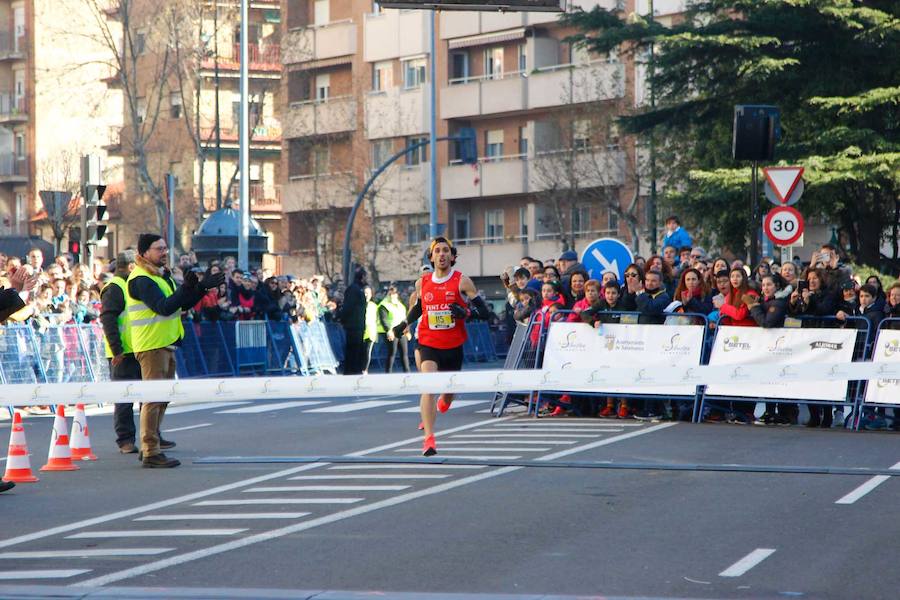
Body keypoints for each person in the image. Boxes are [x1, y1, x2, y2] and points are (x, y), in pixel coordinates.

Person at [127, 234, 224, 468]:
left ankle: (153, 442)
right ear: (144, 253)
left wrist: (201, 288)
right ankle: (150, 451)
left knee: (163, 397)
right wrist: (188, 289)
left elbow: (181, 304)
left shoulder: (161, 276)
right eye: (158, 249)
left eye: (165, 248)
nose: (164, 252)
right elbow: (164, 307)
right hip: (151, 345)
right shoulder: (141, 279)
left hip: (165, 343)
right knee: (153, 398)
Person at [391, 237, 489, 456]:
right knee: (429, 386)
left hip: (453, 345)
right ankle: (429, 439)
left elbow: (485, 313)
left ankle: (444, 402)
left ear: (452, 256)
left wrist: (467, 313)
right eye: (437, 251)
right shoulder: (422, 283)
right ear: (432, 256)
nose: (442, 254)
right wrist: (404, 323)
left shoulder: (462, 281)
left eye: (446, 251)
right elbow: (418, 308)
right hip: (427, 342)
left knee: (447, 395)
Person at [100, 250, 146, 454]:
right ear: (130, 267)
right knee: (124, 399)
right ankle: (125, 440)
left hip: (138, 348)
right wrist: (117, 349)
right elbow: (108, 319)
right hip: (123, 353)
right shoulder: (115, 288)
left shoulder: (130, 286)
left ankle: (151, 437)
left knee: (148, 396)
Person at [745, 273, 793, 425]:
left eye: (769, 285)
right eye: (763, 285)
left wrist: (753, 307)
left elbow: (767, 323)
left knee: (780, 379)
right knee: (770, 377)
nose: (765, 288)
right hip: (769, 346)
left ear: (777, 286)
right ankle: (770, 411)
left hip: (780, 346)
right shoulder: (767, 301)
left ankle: (784, 414)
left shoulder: (778, 302)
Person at [337, 267, 368, 375]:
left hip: (358, 325)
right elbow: (348, 307)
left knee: (357, 348)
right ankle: (351, 370)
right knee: (353, 349)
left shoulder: (358, 289)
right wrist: (342, 318)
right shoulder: (354, 289)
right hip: (353, 325)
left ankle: (355, 369)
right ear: (362, 277)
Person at [377, 285, 410, 373]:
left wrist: (407, 331)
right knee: (392, 353)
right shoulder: (384, 305)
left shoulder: (400, 305)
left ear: (397, 295)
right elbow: (383, 319)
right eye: (390, 294)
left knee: (404, 353)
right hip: (390, 331)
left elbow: (404, 319)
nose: (392, 295)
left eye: (394, 293)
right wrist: (388, 331)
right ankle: (388, 373)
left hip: (401, 331)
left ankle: (407, 373)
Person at [362, 286, 378, 373]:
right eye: (365, 293)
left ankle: (365, 370)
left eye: (368, 293)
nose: (366, 295)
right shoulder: (358, 304)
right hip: (360, 331)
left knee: (367, 351)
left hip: (370, 331)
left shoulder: (374, 306)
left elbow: (376, 319)